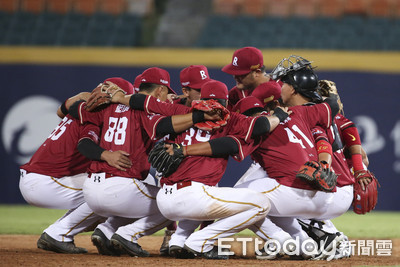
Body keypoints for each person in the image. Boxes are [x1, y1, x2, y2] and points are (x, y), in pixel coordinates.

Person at [67, 67, 224, 257]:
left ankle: (107, 230)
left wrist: (72, 103)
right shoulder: (157, 106)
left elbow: (76, 112)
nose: (206, 95)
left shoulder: (176, 103)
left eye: (207, 89)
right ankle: (166, 236)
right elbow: (156, 118)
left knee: (189, 193)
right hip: (141, 174)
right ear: (185, 91)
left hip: (106, 181)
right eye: (200, 90)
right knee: (171, 201)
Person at [152, 80, 290, 259]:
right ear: (226, 102)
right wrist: (279, 114)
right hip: (193, 196)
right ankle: (200, 241)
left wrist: (123, 97)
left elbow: (149, 111)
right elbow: (261, 125)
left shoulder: (183, 114)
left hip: (165, 199)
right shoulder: (230, 119)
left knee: (209, 192)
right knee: (260, 203)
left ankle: (178, 240)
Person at [19, 77, 134, 254]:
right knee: (108, 192)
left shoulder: (82, 109)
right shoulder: (94, 115)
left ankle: (59, 231)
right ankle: (58, 234)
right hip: (45, 182)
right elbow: (85, 144)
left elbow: (61, 110)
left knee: (106, 188)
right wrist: (107, 155)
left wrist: (80, 96)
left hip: (41, 178)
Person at [221, 46, 280, 111]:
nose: (235, 77)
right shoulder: (235, 94)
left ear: (257, 72)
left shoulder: (283, 89)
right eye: (234, 72)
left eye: (241, 74)